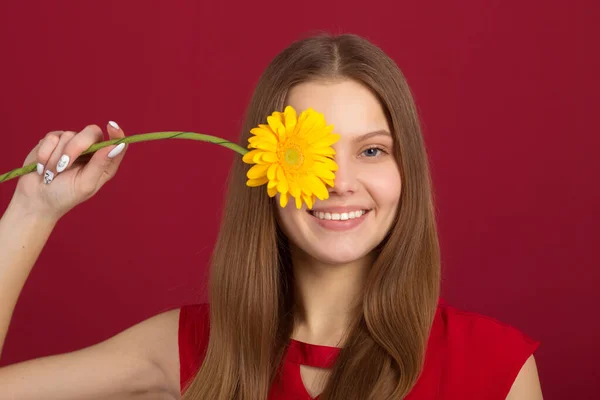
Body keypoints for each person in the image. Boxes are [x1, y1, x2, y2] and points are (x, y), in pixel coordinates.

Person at [0, 33, 542, 400]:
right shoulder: (189, 347)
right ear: (264, 168)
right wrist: (32, 210)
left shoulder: (496, 367)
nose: (338, 180)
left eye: (372, 150)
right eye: (315, 152)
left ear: (409, 172)